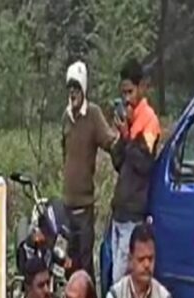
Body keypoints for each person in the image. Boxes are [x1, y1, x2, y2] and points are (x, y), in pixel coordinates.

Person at [62, 60, 117, 281]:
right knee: (68, 262)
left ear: (83, 89)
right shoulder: (66, 117)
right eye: (70, 89)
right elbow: (63, 151)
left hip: (84, 207)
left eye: (77, 88)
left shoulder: (93, 114)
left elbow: (108, 140)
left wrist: (124, 141)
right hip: (67, 204)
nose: (73, 93)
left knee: (85, 264)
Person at [109, 58, 160, 285]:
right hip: (119, 211)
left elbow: (144, 163)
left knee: (122, 279)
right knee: (114, 273)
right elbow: (119, 163)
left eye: (130, 92)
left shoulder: (149, 121)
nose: (127, 98)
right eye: (123, 93)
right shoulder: (129, 120)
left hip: (134, 212)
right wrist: (122, 134)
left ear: (142, 88)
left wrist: (129, 137)